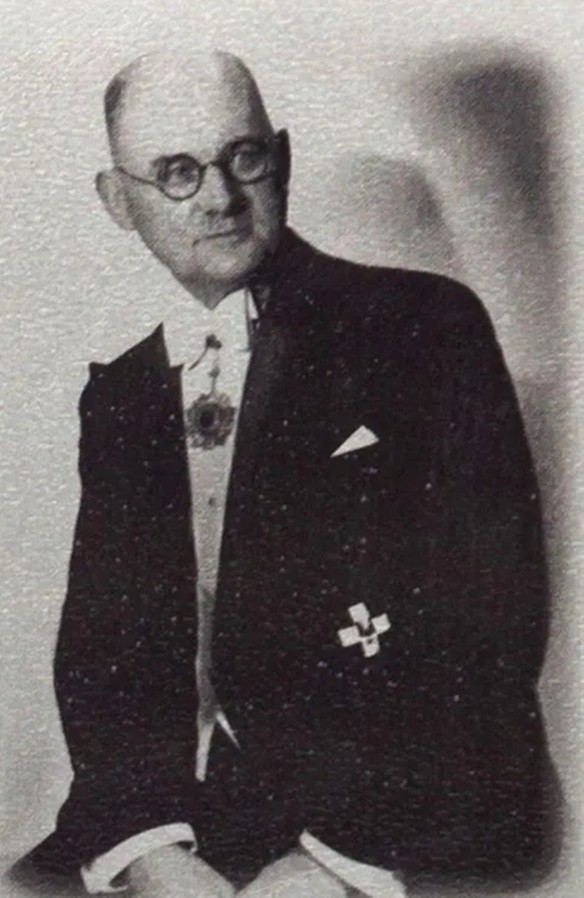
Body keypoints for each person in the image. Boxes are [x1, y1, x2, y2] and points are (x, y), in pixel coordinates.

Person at [21, 49, 556, 897]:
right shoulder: (122, 393)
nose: (219, 198)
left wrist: (334, 862)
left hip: (402, 821)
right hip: (189, 823)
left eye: (243, 157)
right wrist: (148, 848)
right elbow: (106, 650)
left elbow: (493, 618)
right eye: (177, 172)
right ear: (118, 201)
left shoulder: (424, 324)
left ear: (284, 159)